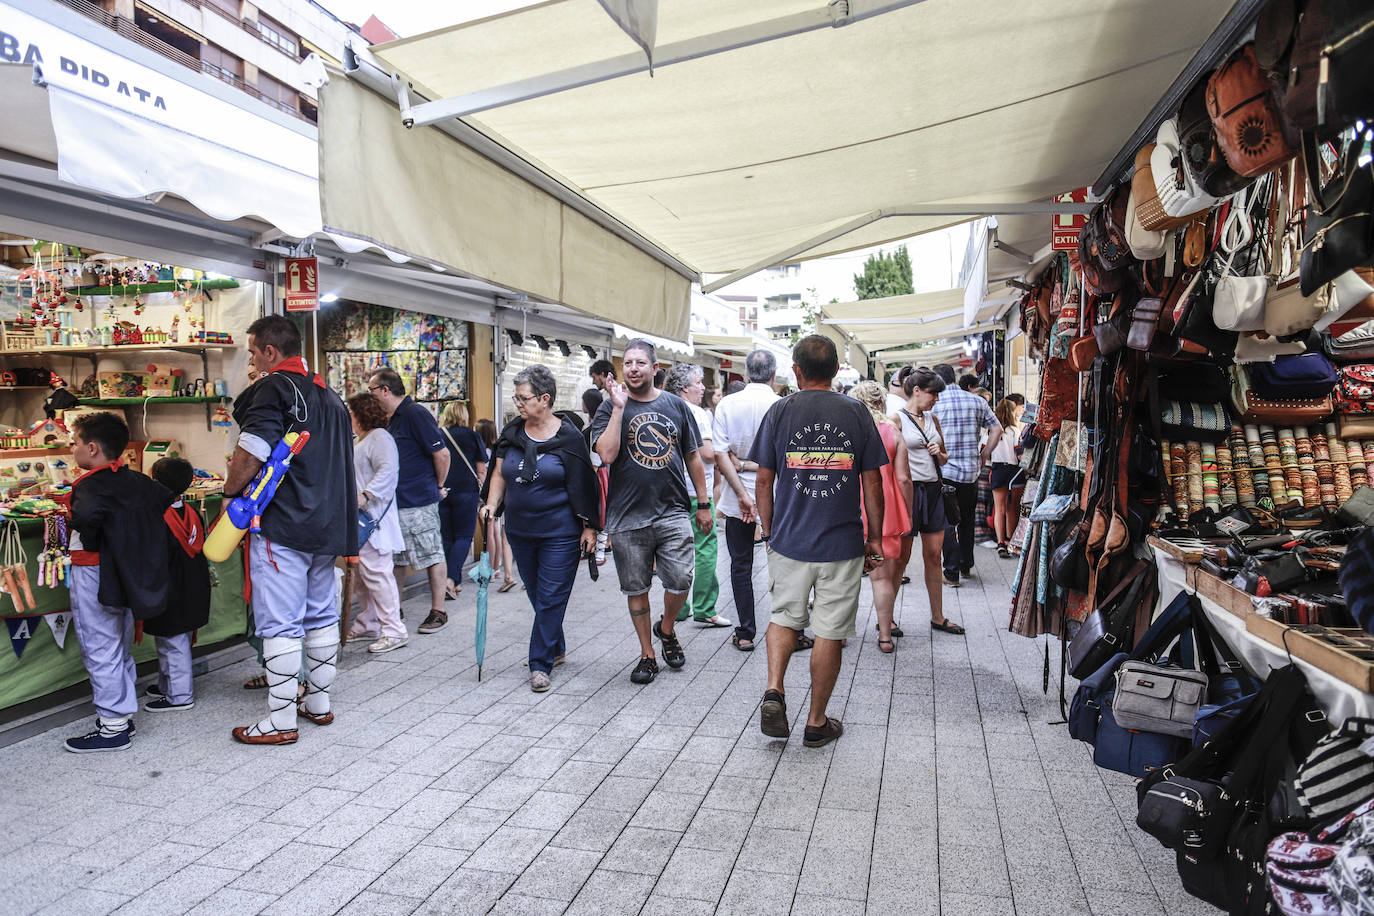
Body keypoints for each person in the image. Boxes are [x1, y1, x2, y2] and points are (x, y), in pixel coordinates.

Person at [754, 336, 887, 748]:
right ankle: (816, 722)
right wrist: (875, 538)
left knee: (784, 617)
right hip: (842, 544)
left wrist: (770, 529)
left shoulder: (780, 411)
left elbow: (763, 479)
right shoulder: (857, 413)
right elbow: (872, 481)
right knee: (829, 631)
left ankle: (775, 688)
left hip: (790, 540)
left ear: (796, 371)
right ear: (835, 371)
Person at [229, 316, 356, 745]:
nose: (251, 360)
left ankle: (281, 721)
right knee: (320, 615)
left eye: (252, 352)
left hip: (283, 521)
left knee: (279, 624)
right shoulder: (331, 395)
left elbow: (252, 450)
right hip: (327, 525)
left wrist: (231, 492)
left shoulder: (273, 388)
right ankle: (317, 704)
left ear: (269, 351)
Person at [590, 338, 713, 685]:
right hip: (627, 515)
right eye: (627, 363)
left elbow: (693, 456)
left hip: (673, 510)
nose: (632, 368)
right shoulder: (608, 408)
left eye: (640, 363)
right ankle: (647, 653)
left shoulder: (677, 406)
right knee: (636, 587)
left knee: (681, 579)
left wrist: (703, 503)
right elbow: (608, 455)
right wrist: (617, 408)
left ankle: (667, 627)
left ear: (655, 368)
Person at [481, 366, 599, 692]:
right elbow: (499, 474)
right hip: (520, 530)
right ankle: (556, 645)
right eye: (516, 397)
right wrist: (491, 504)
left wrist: (590, 527)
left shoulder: (569, 438)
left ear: (544, 399)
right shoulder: (512, 432)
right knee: (537, 594)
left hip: (560, 532)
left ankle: (540, 663)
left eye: (524, 397)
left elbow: (586, 484)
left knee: (550, 597)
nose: (518, 403)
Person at [63, 412, 173, 751]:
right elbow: (162, 497)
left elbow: (86, 519)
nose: (73, 448)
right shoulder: (136, 480)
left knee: (100, 646)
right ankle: (120, 715)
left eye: (76, 442)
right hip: (127, 572)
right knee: (117, 644)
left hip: (96, 571)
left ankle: (113, 726)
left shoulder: (91, 485)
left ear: (93, 448)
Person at [712, 350, 790, 653]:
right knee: (784, 566)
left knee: (740, 564)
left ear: (746, 373)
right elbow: (786, 458)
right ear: (772, 375)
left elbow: (720, 454)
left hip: (736, 496)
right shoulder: (782, 405)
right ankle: (788, 629)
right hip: (777, 494)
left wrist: (743, 494)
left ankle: (745, 631)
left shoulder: (728, 403)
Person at [367, 368, 452, 633]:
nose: (369, 396)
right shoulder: (387, 419)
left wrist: (437, 485)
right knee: (397, 558)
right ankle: (395, 609)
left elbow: (442, 455)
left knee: (431, 553)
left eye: (371, 390)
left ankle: (439, 610)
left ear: (384, 390)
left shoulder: (415, 413)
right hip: (394, 502)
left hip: (418, 499)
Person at [897, 368, 965, 635]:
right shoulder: (896, 420)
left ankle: (938, 616)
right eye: (933, 392)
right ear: (916, 390)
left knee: (934, 555)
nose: (936, 398)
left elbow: (945, 457)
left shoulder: (933, 419)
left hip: (934, 490)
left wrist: (939, 454)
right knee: (901, 557)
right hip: (910, 492)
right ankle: (887, 618)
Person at [664, 363, 731, 628]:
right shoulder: (697, 413)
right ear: (685, 388)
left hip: (671, 493)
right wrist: (727, 453)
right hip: (696, 493)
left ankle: (679, 610)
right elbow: (705, 453)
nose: (703, 388)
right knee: (705, 549)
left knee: (676, 553)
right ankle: (704, 607)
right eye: (699, 383)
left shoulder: (666, 408)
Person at [142, 457, 211, 713]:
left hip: (171, 590)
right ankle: (166, 684)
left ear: (156, 483)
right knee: (169, 640)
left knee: (174, 643)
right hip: (191, 587)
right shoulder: (191, 511)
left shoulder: (157, 516)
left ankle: (180, 695)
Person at [850, 381, 913, 652]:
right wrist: (906, 514)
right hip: (885, 512)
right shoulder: (894, 432)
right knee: (883, 578)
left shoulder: (850, 431)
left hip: (851, 509)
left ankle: (839, 635)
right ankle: (885, 636)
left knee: (846, 577)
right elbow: (903, 479)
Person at [347, 392, 408, 653]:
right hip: (365, 517)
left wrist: (366, 495)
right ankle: (368, 621)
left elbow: (388, 471)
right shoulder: (362, 440)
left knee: (378, 573)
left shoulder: (380, 438)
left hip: (372, 517)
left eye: (350, 413)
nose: (347, 417)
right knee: (365, 575)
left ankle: (393, 629)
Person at [930, 364, 1001, 586]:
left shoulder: (935, 404)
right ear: (954, 377)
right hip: (971, 472)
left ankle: (950, 573)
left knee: (947, 522)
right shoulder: (977, 401)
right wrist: (985, 453)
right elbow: (997, 428)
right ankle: (966, 565)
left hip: (945, 471)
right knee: (967, 520)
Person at [438, 401, 488, 600]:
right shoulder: (472, 436)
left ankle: (453, 582)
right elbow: (481, 468)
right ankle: (449, 579)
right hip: (466, 491)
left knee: (447, 537)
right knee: (464, 536)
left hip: (442, 491)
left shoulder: (438, 435)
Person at [477, 419, 521, 590]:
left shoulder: (494, 451)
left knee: (497, 533)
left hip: (496, 497)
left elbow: (488, 473)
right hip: (502, 498)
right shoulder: (499, 448)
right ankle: (497, 569)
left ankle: (502, 572)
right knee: (499, 533)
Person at [990, 397, 1026, 559]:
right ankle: (1011, 541)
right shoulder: (1014, 430)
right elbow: (1019, 455)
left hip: (997, 470)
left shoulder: (992, 430)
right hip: (1013, 472)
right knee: (1012, 508)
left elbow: (984, 450)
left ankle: (1000, 543)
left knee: (999, 508)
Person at [582, 387, 611, 564]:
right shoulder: (598, 423)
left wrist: (588, 478)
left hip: (597, 472)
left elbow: (596, 456)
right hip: (602, 472)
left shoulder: (596, 426)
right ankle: (600, 549)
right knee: (602, 512)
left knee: (600, 512)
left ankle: (599, 551)